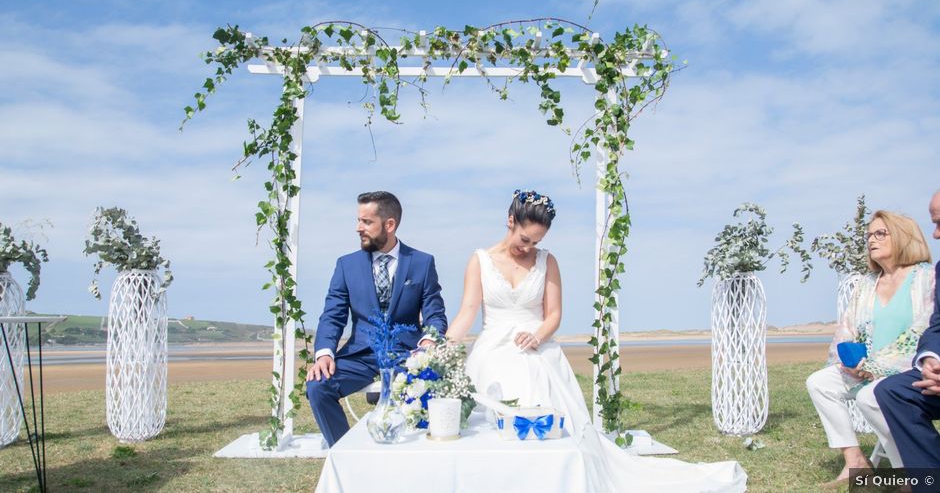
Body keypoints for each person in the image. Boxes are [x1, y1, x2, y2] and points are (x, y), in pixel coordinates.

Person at [445, 189, 747, 492]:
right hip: (492, 354)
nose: (529, 248)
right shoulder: (480, 260)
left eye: (536, 242)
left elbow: (554, 315)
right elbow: (467, 313)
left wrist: (536, 336)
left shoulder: (547, 262)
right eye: (525, 239)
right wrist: (441, 348)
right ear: (510, 221)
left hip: (536, 350)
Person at [306, 191, 447, 446]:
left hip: (407, 355)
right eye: (359, 221)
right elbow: (333, 315)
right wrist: (324, 352)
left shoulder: (422, 263)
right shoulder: (345, 265)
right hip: (360, 356)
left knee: (433, 386)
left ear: (389, 224)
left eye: (366, 222)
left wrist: (429, 341)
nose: (358, 228)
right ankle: (344, 453)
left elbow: (435, 314)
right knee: (318, 386)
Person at [806, 209, 935, 488]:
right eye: (869, 235)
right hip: (864, 366)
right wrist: (850, 361)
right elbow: (847, 330)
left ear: (902, 237)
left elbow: (925, 330)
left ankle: (910, 473)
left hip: (908, 368)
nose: (871, 240)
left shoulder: (927, 278)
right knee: (819, 382)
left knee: (872, 396)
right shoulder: (866, 284)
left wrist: (876, 367)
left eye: (880, 234)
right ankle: (856, 462)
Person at [875, 191, 940, 485]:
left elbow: (916, 328)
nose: (935, 235)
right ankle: (928, 480)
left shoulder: (924, 276)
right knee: (892, 391)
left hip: (892, 361)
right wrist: (931, 360)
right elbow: (937, 326)